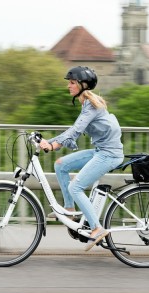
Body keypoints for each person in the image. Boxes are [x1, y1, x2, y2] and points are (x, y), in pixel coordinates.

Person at [39, 66, 124, 251]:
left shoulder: (92, 105)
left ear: (82, 85)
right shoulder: (87, 103)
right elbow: (73, 129)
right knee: (61, 165)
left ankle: (97, 228)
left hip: (109, 154)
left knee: (75, 186)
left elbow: (76, 131)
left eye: (72, 82)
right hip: (100, 150)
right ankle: (69, 211)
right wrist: (49, 141)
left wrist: (54, 145)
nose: (68, 86)